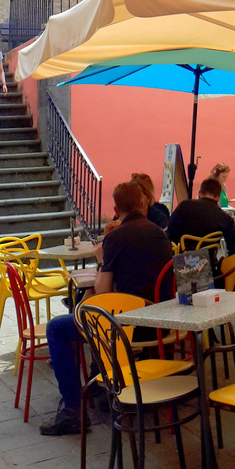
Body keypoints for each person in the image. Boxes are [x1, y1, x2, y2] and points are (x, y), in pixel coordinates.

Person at [40, 180, 174, 436]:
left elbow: (102, 292)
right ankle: (101, 385)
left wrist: (101, 260)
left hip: (125, 328)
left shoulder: (115, 237)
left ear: (115, 208)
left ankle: (72, 410)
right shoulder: (159, 234)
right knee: (90, 312)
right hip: (159, 326)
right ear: (143, 203)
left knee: (58, 328)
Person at [168, 177, 235, 288]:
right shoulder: (223, 217)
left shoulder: (184, 207)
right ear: (218, 197)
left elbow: (170, 235)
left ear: (199, 193)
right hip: (209, 273)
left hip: (180, 272)